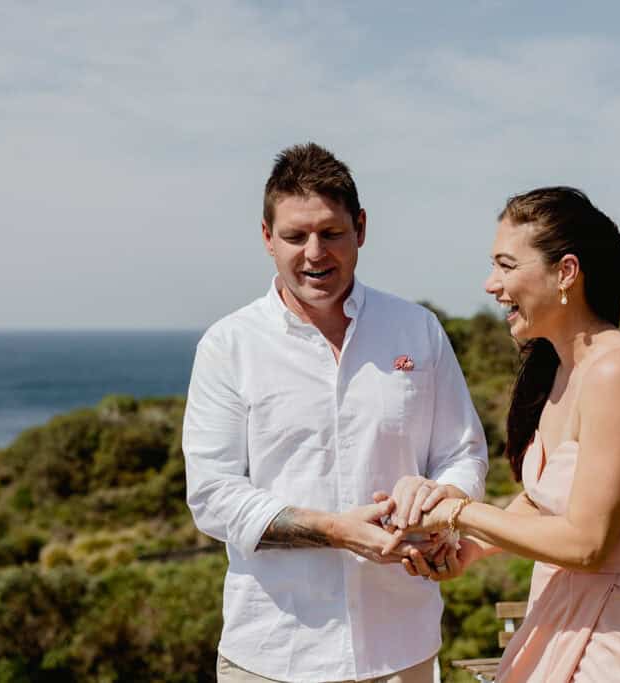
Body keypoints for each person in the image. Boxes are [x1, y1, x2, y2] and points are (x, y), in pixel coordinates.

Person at [182, 142, 488, 683]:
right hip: (273, 655)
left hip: (404, 648)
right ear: (267, 239)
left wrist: (446, 510)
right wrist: (335, 531)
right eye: (295, 236)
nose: (315, 253)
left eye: (331, 232)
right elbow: (212, 495)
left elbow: (461, 455)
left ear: (361, 229)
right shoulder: (228, 345)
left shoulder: (418, 330)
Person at [393, 187, 620, 682]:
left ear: (566, 272)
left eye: (506, 266)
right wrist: (467, 547)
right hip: (555, 618)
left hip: (615, 639)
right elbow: (544, 499)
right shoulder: (559, 371)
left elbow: (587, 543)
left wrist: (460, 512)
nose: (491, 284)